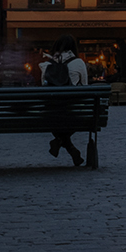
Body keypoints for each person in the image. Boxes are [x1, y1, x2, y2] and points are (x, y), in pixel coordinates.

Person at [42, 34, 89, 166]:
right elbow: (85, 87)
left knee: (56, 119)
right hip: (73, 112)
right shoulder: (79, 63)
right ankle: (63, 144)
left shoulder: (47, 65)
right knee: (73, 117)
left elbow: (43, 88)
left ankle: (61, 142)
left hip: (51, 113)